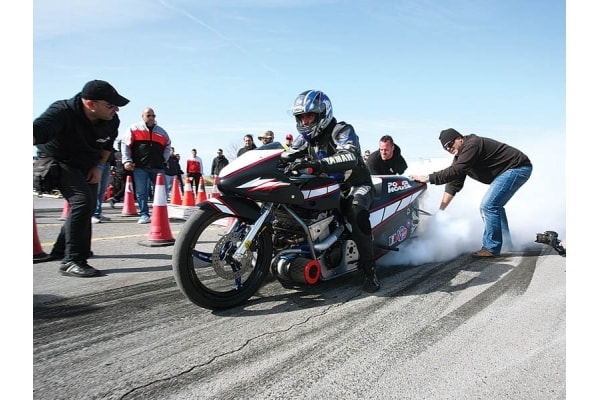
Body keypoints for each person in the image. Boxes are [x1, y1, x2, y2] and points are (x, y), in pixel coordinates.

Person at [283, 89, 379, 293]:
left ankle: (370, 271)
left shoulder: (341, 130)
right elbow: (286, 156)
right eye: (301, 118)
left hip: (354, 185)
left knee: (355, 210)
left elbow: (350, 156)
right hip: (326, 189)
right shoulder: (304, 139)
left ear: (322, 114)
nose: (305, 122)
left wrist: (318, 164)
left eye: (309, 116)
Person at [33, 79, 129, 277]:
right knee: (82, 201)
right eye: (110, 105)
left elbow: (107, 146)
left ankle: (62, 250)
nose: (116, 110)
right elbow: (38, 130)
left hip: (88, 162)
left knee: (89, 203)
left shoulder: (111, 120)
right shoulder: (61, 111)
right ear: (90, 104)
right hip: (59, 160)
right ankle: (73, 260)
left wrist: (99, 167)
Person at [410, 128, 533, 258]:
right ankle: (506, 244)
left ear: (459, 138)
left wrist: (427, 178)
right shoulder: (461, 156)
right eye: (446, 148)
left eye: (450, 145)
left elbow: (457, 170)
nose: (449, 149)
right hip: (509, 171)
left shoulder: (472, 144)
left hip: (517, 167)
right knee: (494, 206)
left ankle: (491, 248)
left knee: (488, 206)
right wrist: (440, 211)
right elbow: (453, 184)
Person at [122, 107, 171, 224]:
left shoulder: (162, 132)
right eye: (148, 115)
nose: (151, 118)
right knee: (141, 192)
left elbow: (168, 146)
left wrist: (164, 158)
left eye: (153, 116)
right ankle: (144, 214)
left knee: (161, 191)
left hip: (158, 166)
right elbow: (125, 145)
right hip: (140, 166)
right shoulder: (134, 129)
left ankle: (159, 213)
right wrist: (127, 160)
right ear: (142, 116)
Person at [91, 149, 115, 223]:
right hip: (95, 162)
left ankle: (97, 212)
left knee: (102, 190)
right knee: (96, 190)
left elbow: (110, 147)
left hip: (106, 162)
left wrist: (113, 163)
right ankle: (92, 214)